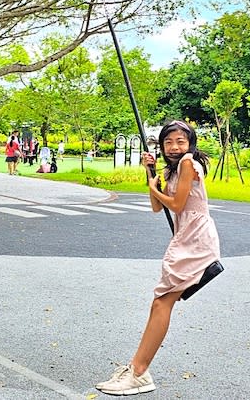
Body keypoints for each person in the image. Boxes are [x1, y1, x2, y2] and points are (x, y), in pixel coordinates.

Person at [95, 120, 220, 396]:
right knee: (160, 302)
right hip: (185, 238)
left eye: (180, 141)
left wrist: (155, 188)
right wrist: (150, 173)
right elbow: (156, 207)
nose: (174, 147)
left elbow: (175, 204)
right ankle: (137, 369)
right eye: (169, 142)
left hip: (196, 240)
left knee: (163, 302)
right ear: (162, 145)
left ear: (190, 143)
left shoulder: (188, 164)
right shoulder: (172, 169)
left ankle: (139, 373)